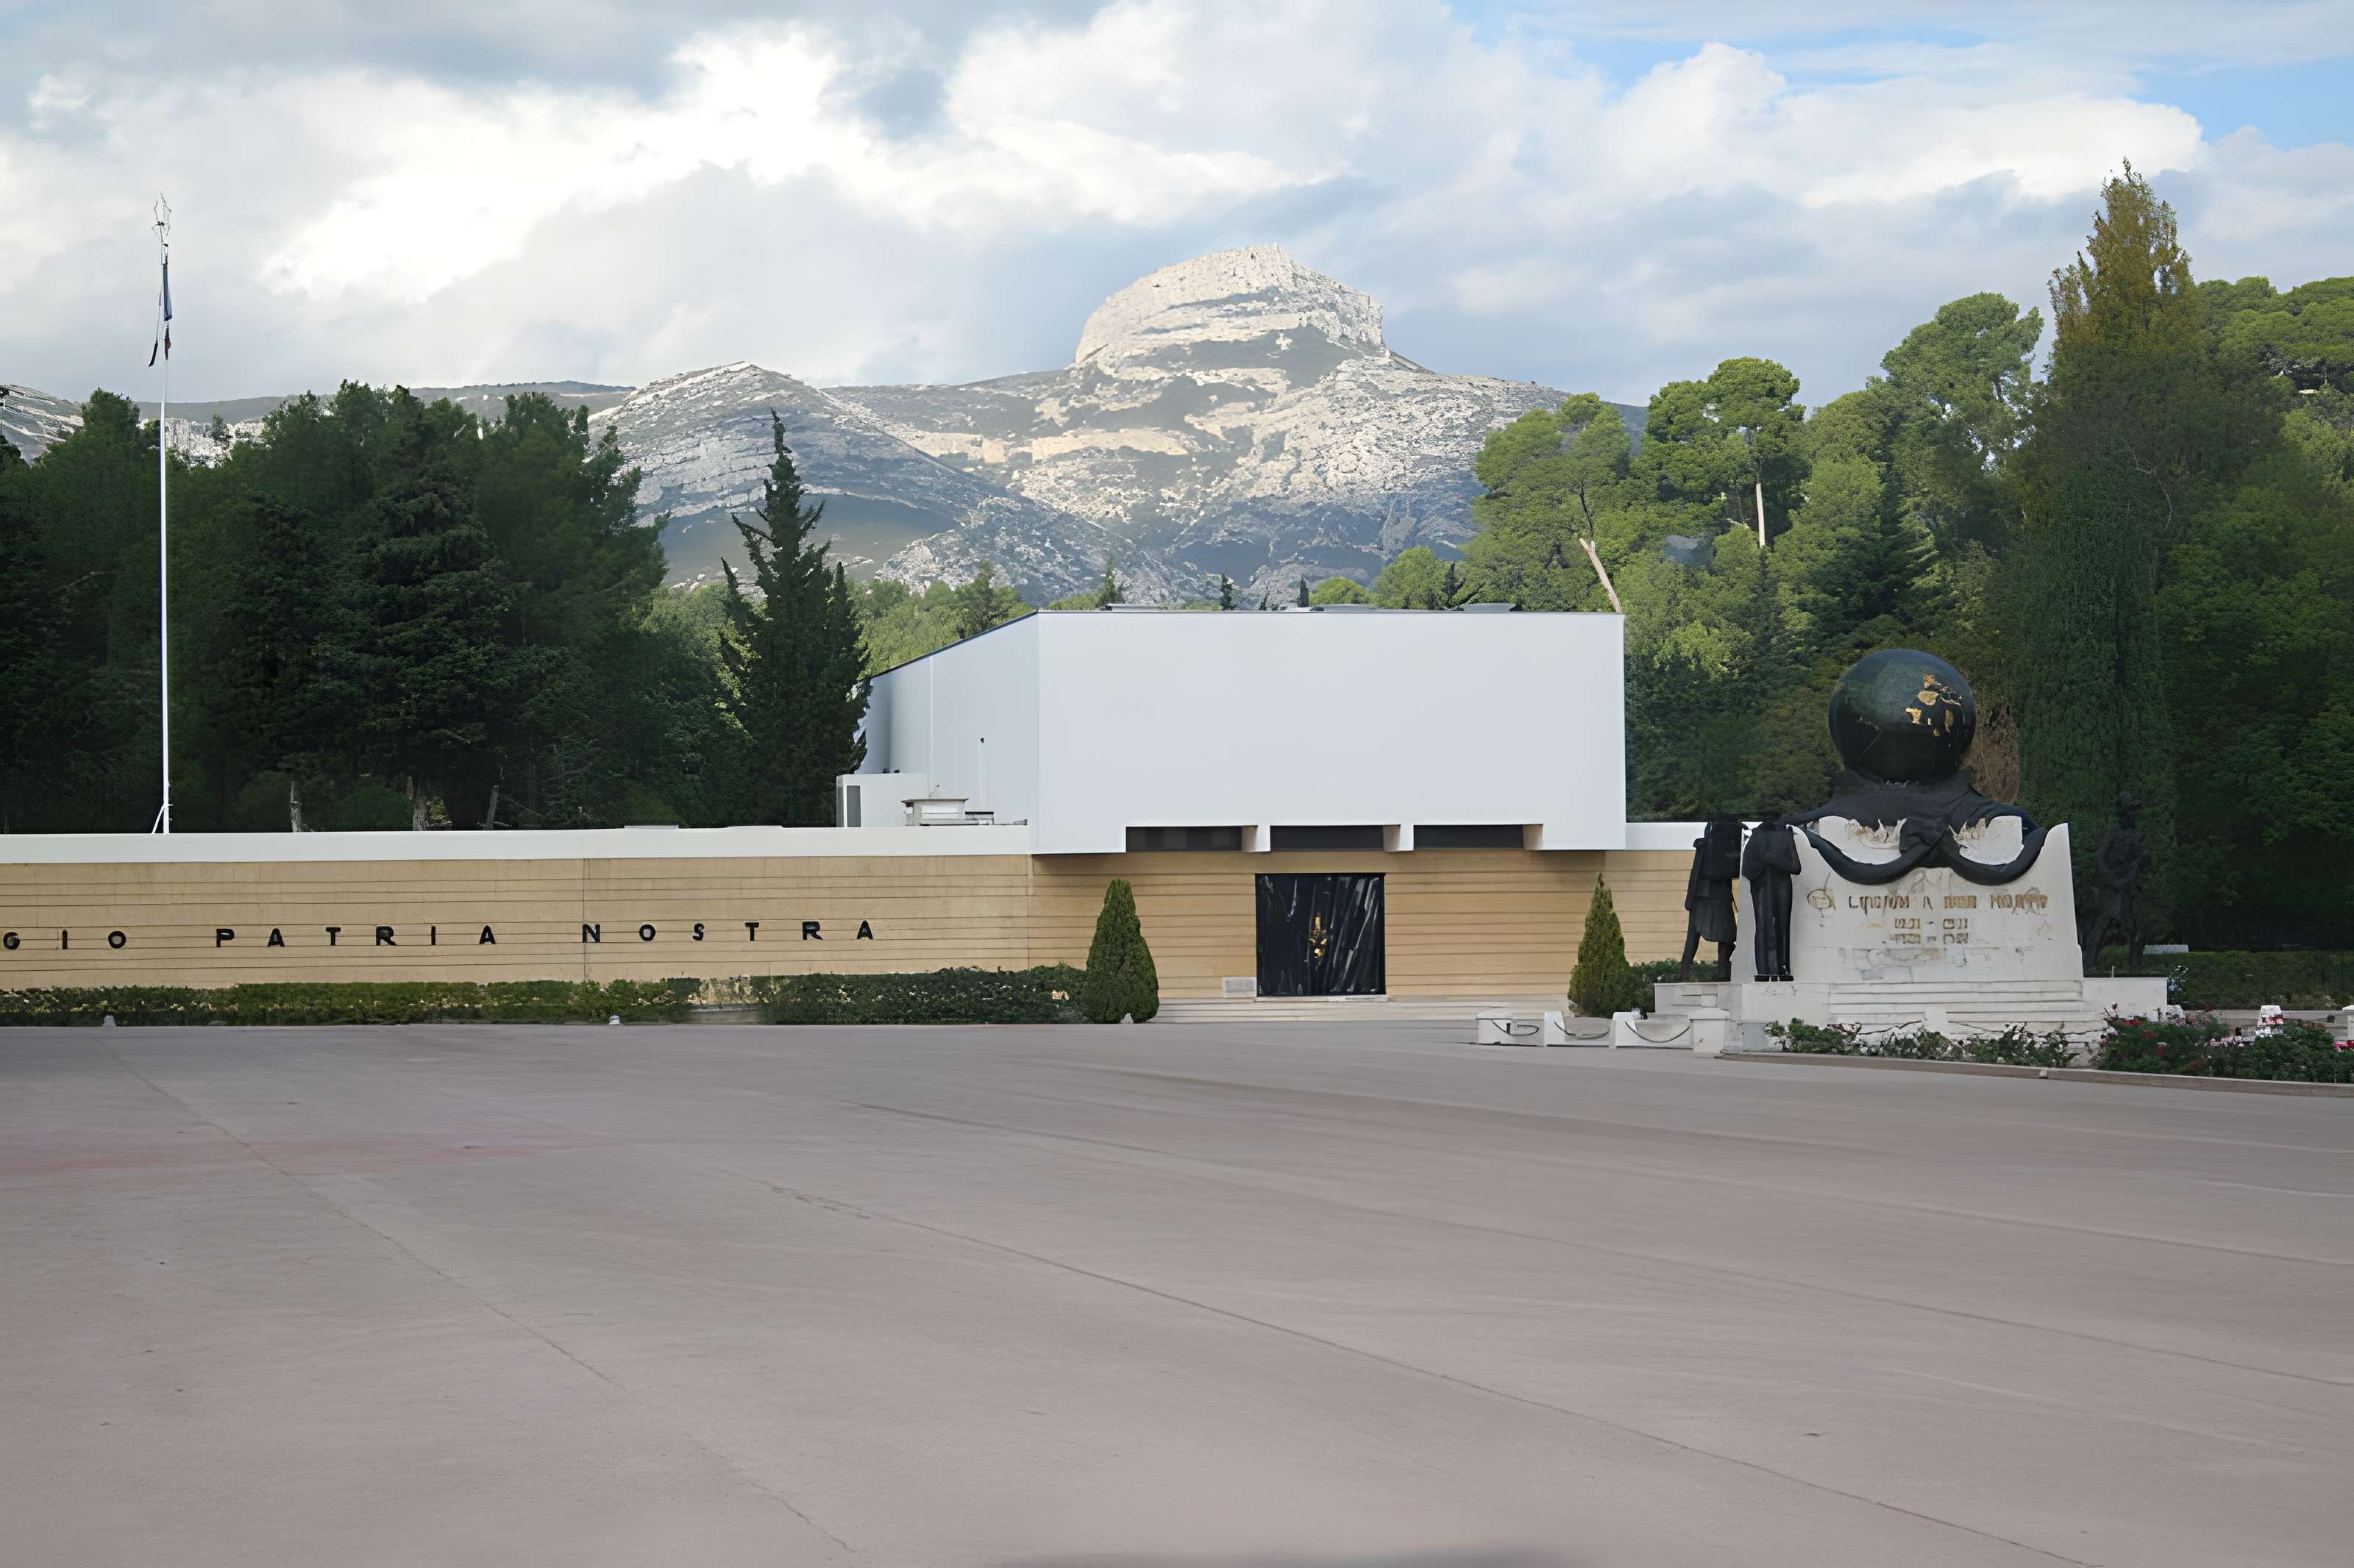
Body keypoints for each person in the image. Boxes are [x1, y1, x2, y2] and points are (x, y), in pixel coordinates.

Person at [2079, 793, 2152, 970]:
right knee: (2102, 925)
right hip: (2112, 887)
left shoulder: (2137, 836)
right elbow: (2101, 859)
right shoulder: (2113, 832)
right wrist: (2112, 879)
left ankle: (2135, 967)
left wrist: (2141, 863)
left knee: (2137, 927)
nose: (2135, 814)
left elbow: (2143, 862)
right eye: (2132, 810)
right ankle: (2088, 963)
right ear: (2124, 812)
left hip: (2129, 887)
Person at [1677, 816, 1743, 981]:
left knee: (1725, 936)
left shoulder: (1714, 845)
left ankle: (1720, 972)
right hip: (1709, 895)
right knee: (1703, 935)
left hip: (1714, 895)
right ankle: (1687, 972)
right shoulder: (1711, 846)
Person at [1742, 816, 1800, 981]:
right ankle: (1764, 969)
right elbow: (1747, 869)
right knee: (1763, 927)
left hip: (1782, 886)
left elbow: (1796, 867)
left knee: (1782, 927)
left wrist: (1769, 858)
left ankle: (1782, 968)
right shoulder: (1756, 837)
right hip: (1762, 887)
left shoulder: (1785, 835)